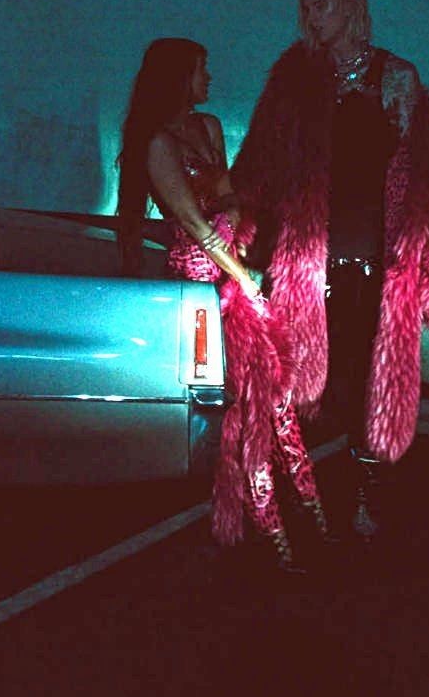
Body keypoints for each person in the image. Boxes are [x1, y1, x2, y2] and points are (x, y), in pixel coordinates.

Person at [232, 0, 429, 536]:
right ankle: (296, 501)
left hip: (377, 264)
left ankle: (365, 496)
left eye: (324, 4)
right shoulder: (294, 80)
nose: (314, 16)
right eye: (307, 6)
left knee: (369, 388)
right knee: (298, 387)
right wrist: (236, 235)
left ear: (350, 7)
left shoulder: (396, 78)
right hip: (306, 263)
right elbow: (260, 165)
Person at [117, 37, 328, 571]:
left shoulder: (207, 128)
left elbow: (230, 197)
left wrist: (235, 232)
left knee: (276, 400)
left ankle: (313, 522)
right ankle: (276, 539)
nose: (208, 78)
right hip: (201, 289)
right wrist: (246, 280)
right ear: (178, 77)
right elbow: (196, 226)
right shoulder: (158, 144)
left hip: (231, 277)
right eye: (201, 70)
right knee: (249, 410)